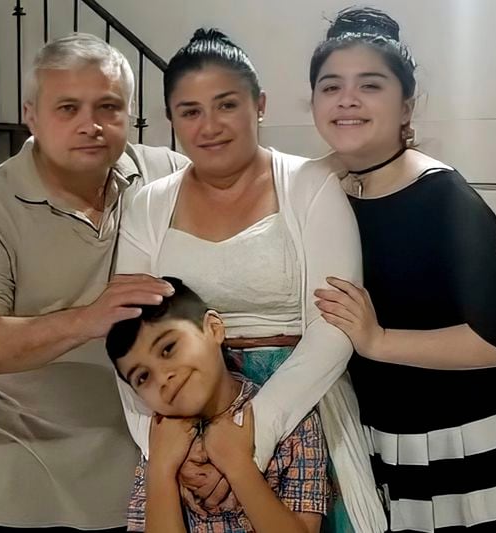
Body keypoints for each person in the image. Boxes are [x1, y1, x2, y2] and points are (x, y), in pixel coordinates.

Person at [115, 29, 385, 532]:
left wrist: (252, 436)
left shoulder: (311, 184)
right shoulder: (145, 205)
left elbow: (336, 324)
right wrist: (170, 450)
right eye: (189, 111)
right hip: (180, 409)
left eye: (226, 105)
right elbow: (126, 336)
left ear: (258, 105)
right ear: (172, 119)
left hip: (300, 404)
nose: (209, 126)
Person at [309, 8, 496, 532]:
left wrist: (378, 340)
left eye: (370, 86)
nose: (347, 100)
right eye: (330, 86)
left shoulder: (442, 195)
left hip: (460, 442)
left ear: (407, 105)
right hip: (378, 440)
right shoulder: (334, 190)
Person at [0, 33, 188, 531]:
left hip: (163, 466)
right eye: (67, 108)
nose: (90, 125)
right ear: (31, 113)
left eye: (108, 107)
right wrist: (89, 319)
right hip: (36, 477)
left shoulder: (165, 174)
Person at [106, 277, 329, 532]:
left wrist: (239, 466)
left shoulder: (294, 422)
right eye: (143, 377)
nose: (163, 378)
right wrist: (161, 469)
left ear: (213, 329)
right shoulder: (160, 440)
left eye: (168, 348)